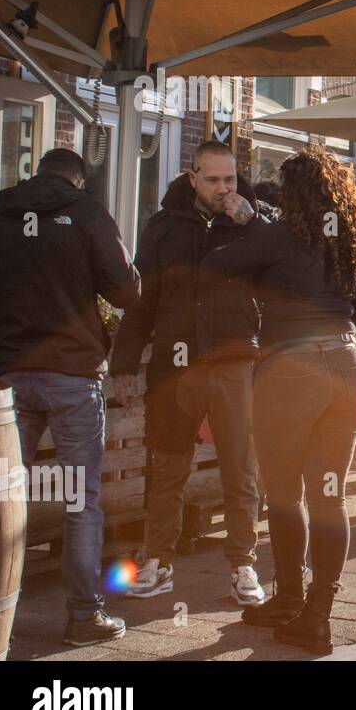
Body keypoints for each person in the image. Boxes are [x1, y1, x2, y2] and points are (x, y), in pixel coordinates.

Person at [200, 145, 356, 655]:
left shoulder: (274, 236)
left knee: (283, 495)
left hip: (290, 371)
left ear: (290, 195)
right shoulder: (354, 244)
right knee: (330, 495)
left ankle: (288, 597)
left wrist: (242, 225)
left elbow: (215, 266)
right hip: (348, 368)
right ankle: (316, 614)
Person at [0, 148, 141, 646]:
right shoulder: (89, 213)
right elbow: (126, 292)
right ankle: (83, 616)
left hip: (9, 375)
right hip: (72, 374)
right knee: (81, 500)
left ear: (38, 172)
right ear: (77, 180)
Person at [111, 142, 268, 606]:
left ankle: (243, 564)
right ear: (193, 177)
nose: (224, 190)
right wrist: (124, 365)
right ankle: (158, 561)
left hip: (234, 361)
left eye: (231, 180)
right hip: (175, 366)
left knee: (240, 466)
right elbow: (142, 302)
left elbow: (283, 274)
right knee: (168, 465)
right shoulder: (163, 228)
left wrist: (254, 224)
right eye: (214, 180)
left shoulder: (255, 224)